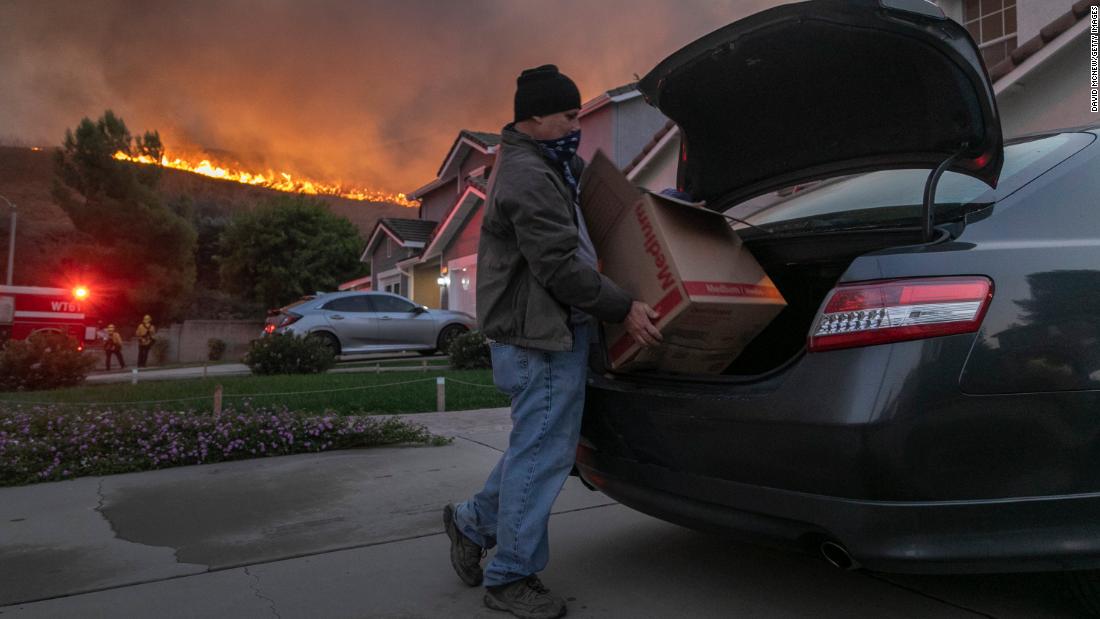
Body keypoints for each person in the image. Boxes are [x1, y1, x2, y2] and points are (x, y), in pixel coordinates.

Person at [443, 64, 662, 619]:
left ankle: (471, 523)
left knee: (541, 451)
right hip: (539, 338)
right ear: (536, 116)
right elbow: (560, 267)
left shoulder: (551, 164)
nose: (576, 125)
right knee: (542, 454)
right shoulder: (527, 176)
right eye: (568, 115)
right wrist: (624, 306)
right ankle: (511, 575)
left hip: (556, 330)